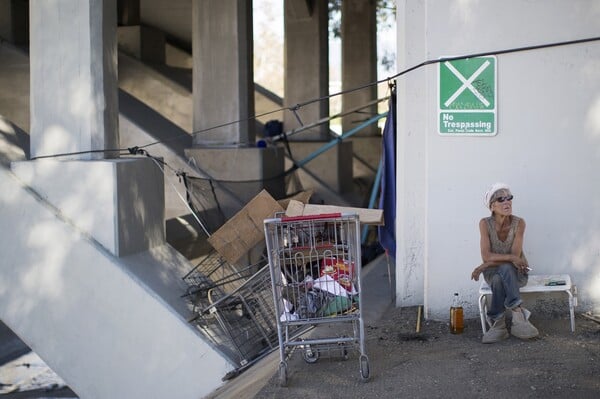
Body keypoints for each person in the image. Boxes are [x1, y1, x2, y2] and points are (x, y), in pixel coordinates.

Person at [471, 183, 539, 343]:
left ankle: (498, 323)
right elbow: (487, 255)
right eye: (501, 199)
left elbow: (515, 257)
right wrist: (487, 264)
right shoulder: (484, 223)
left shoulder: (519, 223)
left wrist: (483, 266)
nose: (507, 202)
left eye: (509, 198)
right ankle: (518, 314)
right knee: (499, 274)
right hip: (493, 271)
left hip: (516, 273)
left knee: (504, 272)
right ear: (492, 206)